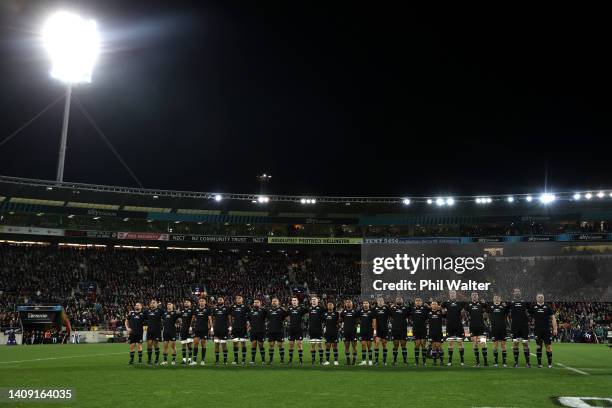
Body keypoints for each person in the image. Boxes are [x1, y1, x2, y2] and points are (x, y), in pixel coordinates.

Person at [532, 294, 557, 368]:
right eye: (539, 297)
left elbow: (553, 318)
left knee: (548, 346)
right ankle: (539, 364)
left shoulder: (548, 307)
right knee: (538, 346)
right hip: (537, 330)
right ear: (536, 298)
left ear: (544, 298)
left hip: (546, 330)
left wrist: (555, 328)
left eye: (542, 297)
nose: (540, 298)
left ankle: (550, 364)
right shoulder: (533, 307)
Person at [508, 288, 531, 368]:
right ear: (513, 293)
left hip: (524, 326)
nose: (517, 293)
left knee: (525, 343)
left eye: (518, 291)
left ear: (520, 292)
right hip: (515, 326)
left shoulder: (525, 301)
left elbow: (531, 311)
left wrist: (528, 319)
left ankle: (528, 363)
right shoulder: (510, 302)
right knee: (515, 344)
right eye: (515, 292)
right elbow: (505, 311)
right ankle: (516, 362)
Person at [442, 290, 465, 366]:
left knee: (460, 343)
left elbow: (463, 313)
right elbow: (441, 310)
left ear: (456, 294)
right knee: (450, 343)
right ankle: (450, 361)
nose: (452, 294)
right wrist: (444, 312)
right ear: (449, 294)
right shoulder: (446, 303)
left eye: (453, 293)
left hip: (458, 325)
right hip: (450, 326)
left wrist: (463, 313)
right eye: (451, 293)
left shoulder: (460, 303)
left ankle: (462, 361)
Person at [466, 292, 488, 367]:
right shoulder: (468, 305)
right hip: (472, 327)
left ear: (478, 296)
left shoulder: (482, 304)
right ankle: (477, 362)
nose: (474, 296)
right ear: (471, 297)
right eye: (473, 295)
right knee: (475, 344)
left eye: (476, 295)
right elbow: (463, 312)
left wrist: (485, 303)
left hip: (481, 327)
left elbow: (488, 310)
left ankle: (485, 362)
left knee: (483, 344)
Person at [390, 297, 410, 365]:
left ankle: (405, 361)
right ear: (395, 301)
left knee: (403, 345)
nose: (399, 300)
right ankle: (394, 360)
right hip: (395, 329)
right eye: (397, 299)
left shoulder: (406, 308)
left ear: (402, 301)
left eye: (400, 299)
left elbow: (410, 316)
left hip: (403, 329)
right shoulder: (392, 308)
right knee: (395, 345)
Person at [286, 297, 307, 364]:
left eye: (295, 300)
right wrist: (288, 320)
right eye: (293, 300)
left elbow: (308, 311)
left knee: (299, 344)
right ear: (291, 302)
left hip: (298, 329)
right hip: (291, 329)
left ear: (297, 301)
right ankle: (290, 360)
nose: (294, 301)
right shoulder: (289, 309)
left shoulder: (301, 308)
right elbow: (285, 315)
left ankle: (300, 360)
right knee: (291, 345)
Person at [490, 295, 509, 367]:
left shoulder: (504, 307)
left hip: (503, 329)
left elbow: (508, 313)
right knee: (495, 346)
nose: (497, 299)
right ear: (493, 299)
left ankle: (504, 362)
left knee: (503, 345)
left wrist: (506, 306)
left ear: (501, 299)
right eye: (495, 298)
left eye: (498, 298)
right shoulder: (490, 307)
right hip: (494, 329)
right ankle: (495, 362)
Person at [266, 297, 287, 365]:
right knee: (271, 345)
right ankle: (271, 360)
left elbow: (286, 317)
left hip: (279, 330)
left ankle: (282, 360)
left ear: (278, 302)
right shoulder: (268, 310)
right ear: (271, 302)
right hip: (271, 330)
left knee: (280, 345)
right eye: (273, 301)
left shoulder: (282, 310)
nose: (274, 302)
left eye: (275, 301)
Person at [211, 296, 231, 365]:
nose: (219, 301)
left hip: (224, 329)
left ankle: (225, 361)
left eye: (221, 300)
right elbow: (213, 319)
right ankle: (217, 361)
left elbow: (229, 318)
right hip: (216, 329)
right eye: (218, 300)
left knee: (223, 344)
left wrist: (230, 327)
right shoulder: (215, 309)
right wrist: (212, 328)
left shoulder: (226, 308)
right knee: (216, 345)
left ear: (223, 301)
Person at [191, 297, 210, 366]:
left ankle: (202, 360)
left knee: (203, 344)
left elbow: (210, 319)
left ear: (205, 302)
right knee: (195, 343)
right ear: (199, 302)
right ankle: (194, 360)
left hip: (204, 329)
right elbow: (193, 318)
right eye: (200, 301)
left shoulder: (208, 309)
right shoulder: (196, 309)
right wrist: (190, 326)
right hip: (197, 329)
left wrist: (211, 328)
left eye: (203, 301)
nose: (201, 302)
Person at [231, 295, 249, 365]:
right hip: (235, 327)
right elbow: (231, 317)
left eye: (239, 298)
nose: (238, 299)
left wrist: (248, 325)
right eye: (237, 298)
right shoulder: (233, 307)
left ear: (242, 299)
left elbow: (249, 317)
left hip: (243, 328)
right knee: (235, 343)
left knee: (243, 343)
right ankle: (236, 360)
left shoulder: (246, 307)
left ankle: (243, 360)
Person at [248, 299, 267, 365]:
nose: (256, 303)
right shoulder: (250, 312)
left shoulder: (263, 311)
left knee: (261, 345)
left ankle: (263, 360)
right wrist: (249, 326)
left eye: (257, 302)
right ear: (253, 303)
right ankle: (252, 360)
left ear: (260, 303)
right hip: (253, 331)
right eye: (255, 302)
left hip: (261, 331)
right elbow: (249, 320)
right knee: (253, 345)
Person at [373, 297, 391, 366]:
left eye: (381, 300)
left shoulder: (386, 308)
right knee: (377, 343)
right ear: (377, 301)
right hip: (378, 329)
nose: (380, 301)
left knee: (384, 344)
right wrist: (374, 331)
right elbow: (374, 320)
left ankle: (384, 361)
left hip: (385, 329)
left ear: (383, 301)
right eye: (379, 300)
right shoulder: (375, 308)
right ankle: (376, 361)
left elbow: (392, 315)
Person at [144, 299, 163, 365]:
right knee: (149, 344)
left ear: (157, 304)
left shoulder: (160, 311)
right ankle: (149, 360)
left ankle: (157, 360)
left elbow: (166, 316)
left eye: (154, 303)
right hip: (149, 330)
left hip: (157, 330)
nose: (152, 304)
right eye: (151, 303)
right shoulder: (147, 311)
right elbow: (141, 317)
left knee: (156, 344)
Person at [340, 299, 359, 365]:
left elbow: (358, 321)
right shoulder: (343, 312)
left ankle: (354, 361)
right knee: (346, 347)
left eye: (349, 302)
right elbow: (340, 320)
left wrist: (356, 328)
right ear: (345, 304)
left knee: (354, 347)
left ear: (352, 304)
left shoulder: (355, 311)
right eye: (347, 302)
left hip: (353, 332)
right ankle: (348, 361)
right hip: (346, 331)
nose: (348, 303)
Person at [307, 296, 325, 365]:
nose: (313, 300)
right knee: (312, 345)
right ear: (311, 301)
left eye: (315, 299)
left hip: (319, 329)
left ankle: (321, 361)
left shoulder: (321, 308)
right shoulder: (309, 308)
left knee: (319, 345)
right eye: (312, 299)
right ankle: (313, 360)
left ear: (318, 301)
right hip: (311, 329)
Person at [358, 300, 376, 366]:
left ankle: (370, 361)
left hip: (369, 331)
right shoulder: (360, 311)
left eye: (366, 303)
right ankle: (363, 361)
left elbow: (374, 322)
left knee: (369, 346)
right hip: (362, 331)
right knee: (363, 345)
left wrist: (374, 332)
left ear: (369, 304)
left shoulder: (371, 312)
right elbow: (356, 319)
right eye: (364, 303)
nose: (365, 304)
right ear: (362, 304)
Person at [427, 301, 445, 366]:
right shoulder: (428, 313)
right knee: (433, 347)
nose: (434, 305)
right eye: (433, 304)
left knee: (439, 347)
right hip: (431, 332)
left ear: (437, 306)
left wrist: (443, 309)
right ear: (431, 306)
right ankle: (434, 361)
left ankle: (441, 361)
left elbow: (446, 315)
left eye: (435, 304)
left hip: (439, 332)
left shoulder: (440, 312)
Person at [412, 297, 428, 366]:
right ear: (414, 302)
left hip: (423, 329)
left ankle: (424, 361)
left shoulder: (425, 309)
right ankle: (416, 361)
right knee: (417, 345)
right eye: (416, 301)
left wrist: (429, 306)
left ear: (421, 302)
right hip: (415, 329)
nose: (418, 302)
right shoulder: (412, 309)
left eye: (419, 301)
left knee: (423, 345)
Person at [323, 301, 339, 366]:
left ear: (333, 306)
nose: (329, 306)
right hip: (327, 332)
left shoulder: (336, 313)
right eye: (328, 305)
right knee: (327, 346)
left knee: (335, 346)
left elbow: (339, 321)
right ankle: (327, 361)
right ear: (327, 306)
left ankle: (336, 361)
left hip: (334, 332)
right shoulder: (324, 314)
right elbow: (323, 322)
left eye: (331, 305)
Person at [179, 299, 194, 365]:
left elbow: (194, 319)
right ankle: (184, 360)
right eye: (185, 302)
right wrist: (180, 321)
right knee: (183, 344)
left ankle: (190, 359)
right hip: (183, 329)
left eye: (187, 302)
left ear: (190, 304)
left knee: (189, 344)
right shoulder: (182, 311)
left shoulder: (192, 311)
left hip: (189, 329)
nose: (186, 303)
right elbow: (179, 318)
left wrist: (191, 327)